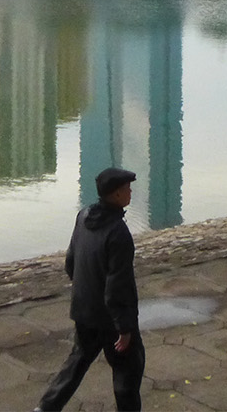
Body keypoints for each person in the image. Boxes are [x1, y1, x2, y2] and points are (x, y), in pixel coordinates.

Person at [36, 167, 144, 412]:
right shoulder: (118, 233)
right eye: (127, 188)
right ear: (116, 195)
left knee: (77, 361)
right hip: (110, 319)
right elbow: (119, 286)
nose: (130, 192)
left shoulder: (83, 216)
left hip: (84, 310)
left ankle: (46, 407)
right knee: (127, 371)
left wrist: (86, 292)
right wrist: (124, 328)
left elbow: (71, 263)